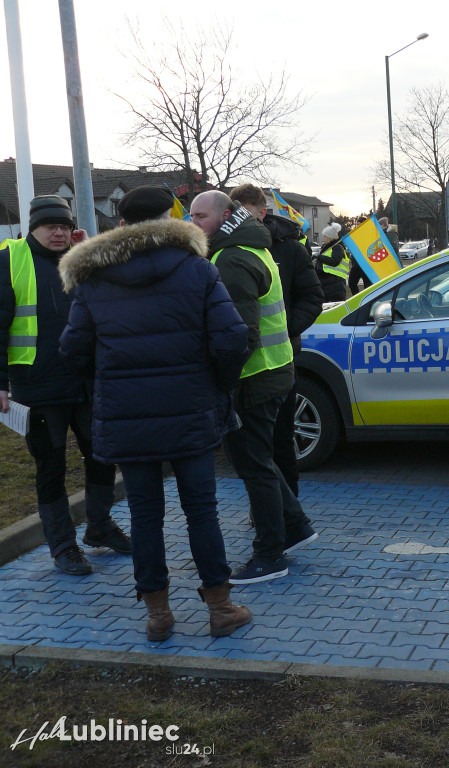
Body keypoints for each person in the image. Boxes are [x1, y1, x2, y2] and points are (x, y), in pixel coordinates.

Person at [58, 186, 253, 640]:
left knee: (145, 516)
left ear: (121, 224)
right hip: (192, 410)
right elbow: (230, 339)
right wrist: (216, 386)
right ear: (171, 217)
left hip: (128, 416)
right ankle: (221, 609)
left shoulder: (94, 278)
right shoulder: (197, 269)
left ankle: (158, 615)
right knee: (202, 511)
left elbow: (72, 349)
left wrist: (109, 377)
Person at [190, 191, 317, 583]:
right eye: (191, 216)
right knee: (262, 462)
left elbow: (240, 336)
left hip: (252, 381)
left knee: (254, 466)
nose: (193, 223)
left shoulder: (230, 258)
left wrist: (220, 384)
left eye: (200, 216)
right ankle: (295, 528)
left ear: (226, 215)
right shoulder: (249, 245)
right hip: (273, 372)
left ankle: (269, 554)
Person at [0, 195, 130, 575]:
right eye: (49, 226)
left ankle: (100, 527)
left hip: (86, 382)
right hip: (37, 386)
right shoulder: (9, 262)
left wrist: (91, 250)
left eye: (62, 225)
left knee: (103, 456)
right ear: (33, 227)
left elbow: (115, 297)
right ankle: (62, 545)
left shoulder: (82, 257)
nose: (57, 232)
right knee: (51, 467)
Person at [229, 183, 325, 497]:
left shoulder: (288, 247)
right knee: (251, 446)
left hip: (282, 362)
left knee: (282, 440)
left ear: (263, 211)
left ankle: (290, 509)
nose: (242, 221)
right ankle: (263, 508)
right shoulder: (226, 252)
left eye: (249, 213)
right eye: (236, 214)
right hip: (243, 369)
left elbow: (312, 297)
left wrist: (286, 330)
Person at [316, 223, 350, 303]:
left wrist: (319, 257)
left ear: (330, 238)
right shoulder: (327, 246)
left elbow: (335, 261)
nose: (323, 238)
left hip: (335, 283)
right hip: (327, 283)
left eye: (325, 236)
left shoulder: (337, 247)